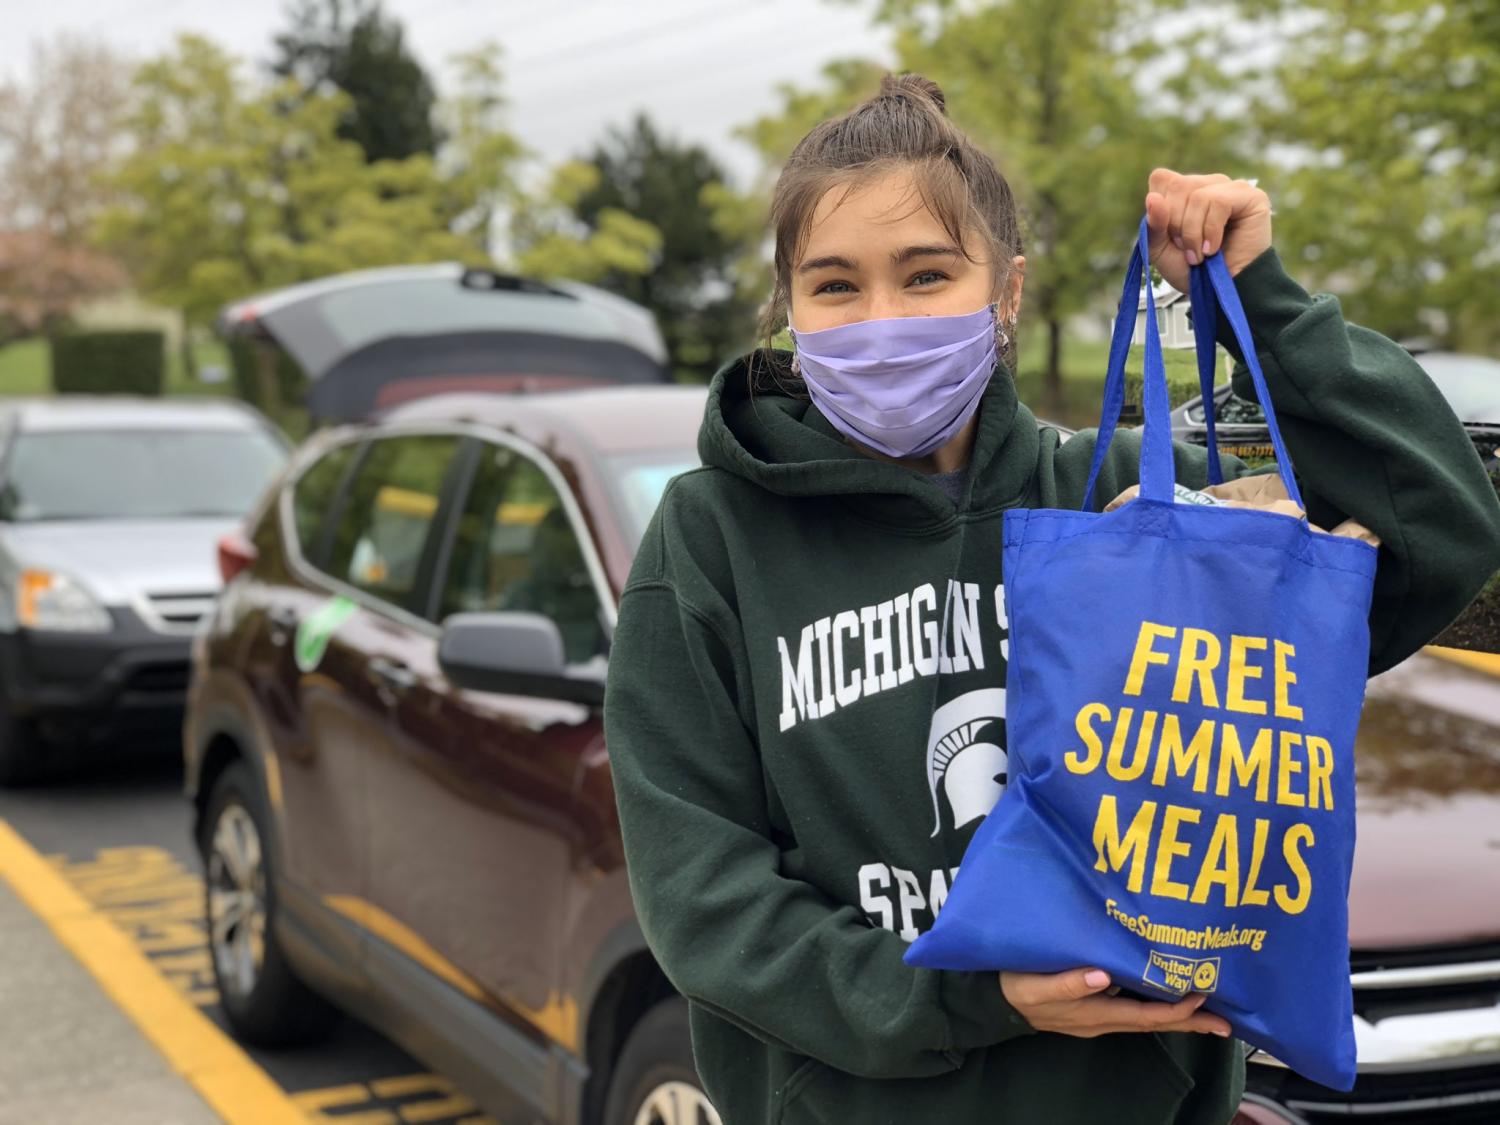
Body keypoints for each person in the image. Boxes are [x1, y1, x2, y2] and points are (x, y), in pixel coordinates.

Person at [602, 72, 1500, 1125]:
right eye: (835, 286)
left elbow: (1438, 530)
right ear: (789, 308)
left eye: (928, 275)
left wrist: (1262, 301)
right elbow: (702, 897)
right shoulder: (712, 536)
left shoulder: (1122, 497)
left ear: (1008, 291)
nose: (882, 321)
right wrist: (962, 996)